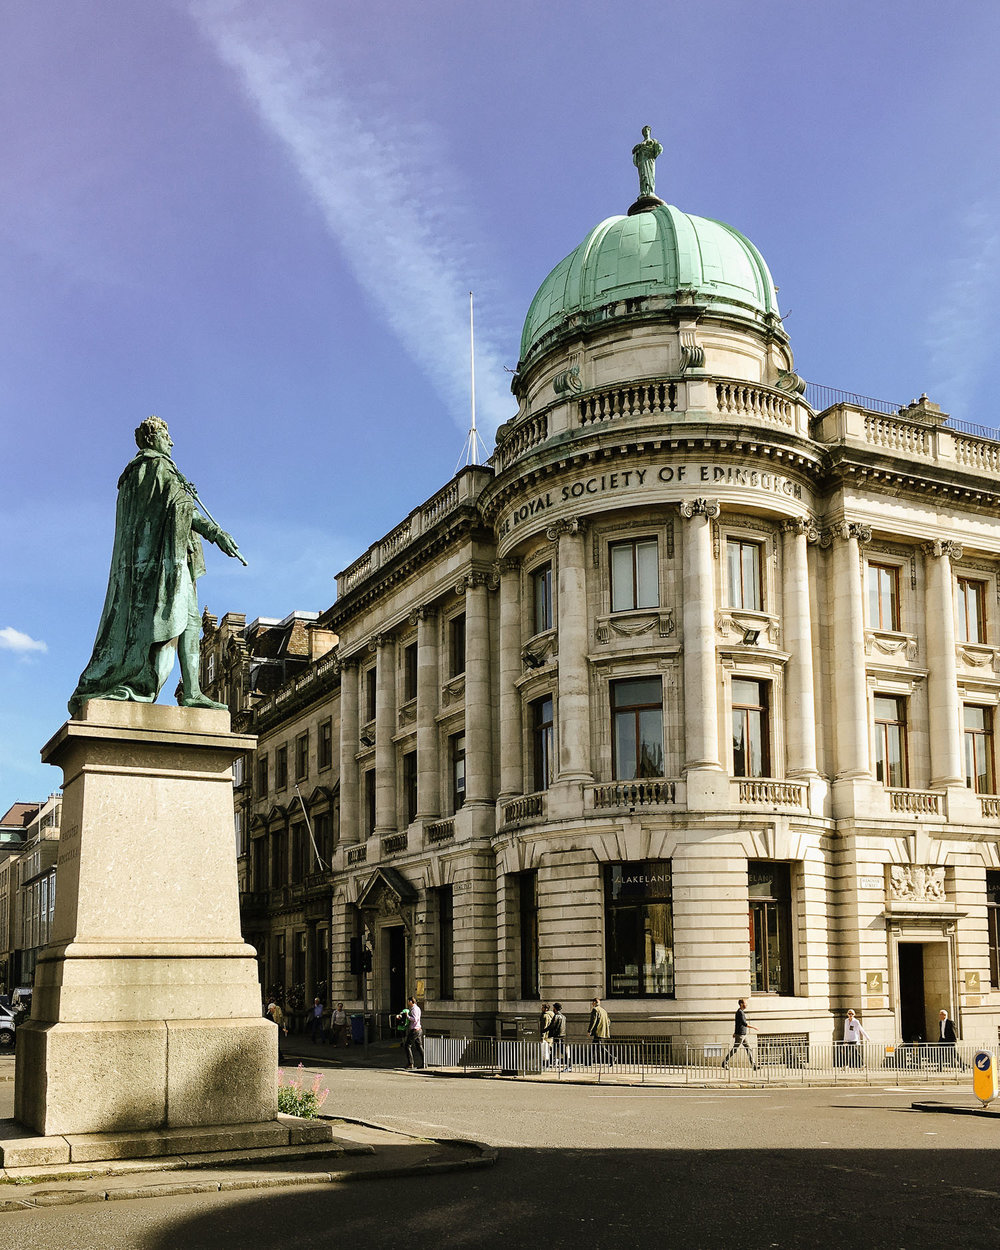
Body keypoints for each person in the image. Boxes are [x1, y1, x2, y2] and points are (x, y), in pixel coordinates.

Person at [69, 416, 244, 715]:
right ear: (152, 439)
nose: (171, 442)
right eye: (166, 435)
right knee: (180, 622)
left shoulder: (132, 477)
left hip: (154, 565)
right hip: (165, 565)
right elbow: (180, 509)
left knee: (190, 621)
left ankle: (192, 691)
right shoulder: (157, 468)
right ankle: (175, 690)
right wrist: (217, 534)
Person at [722, 998, 758, 1070]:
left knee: (749, 1048)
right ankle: (724, 1062)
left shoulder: (740, 1012)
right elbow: (744, 1024)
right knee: (735, 1049)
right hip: (741, 1035)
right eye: (745, 1003)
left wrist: (735, 1032)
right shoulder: (740, 1012)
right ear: (741, 1004)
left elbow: (737, 1024)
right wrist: (754, 1027)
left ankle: (754, 1065)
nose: (746, 1005)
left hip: (743, 1034)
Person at [399, 995, 424, 1070]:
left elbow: (415, 1019)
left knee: (407, 1045)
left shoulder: (414, 1009)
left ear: (411, 1001)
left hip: (415, 1030)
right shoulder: (416, 1008)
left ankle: (411, 1063)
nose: (407, 1003)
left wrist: (408, 1017)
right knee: (419, 1047)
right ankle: (424, 1063)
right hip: (418, 1029)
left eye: (408, 1001)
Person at [546, 1001, 570, 1071]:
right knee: (555, 1051)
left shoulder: (556, 1016)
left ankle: (569, 1065)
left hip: (557, 1036)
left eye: (553, 1008)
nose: (553, 1009)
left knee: (556, 1051)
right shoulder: (563, 1017)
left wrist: (544, 1031)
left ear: (555, 1009)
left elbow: (551, 1026)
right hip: (562, 1036)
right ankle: (549, 1064)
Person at [588, 998, 612, 1065]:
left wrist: (589, 1030)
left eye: (592, 1003)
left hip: (598, 1032)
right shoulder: (604, 1011)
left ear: (595, 1002)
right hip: (603, 1031)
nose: (592, 1004)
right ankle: (590, 1061)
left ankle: (611, 1058)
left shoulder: (595, 1010)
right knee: (596, 1047)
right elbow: (608, 1021)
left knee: (599, 1047)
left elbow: (593, 1021)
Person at [539, 1002, 554, 1068]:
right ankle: (550, 1063)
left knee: (545, 1051)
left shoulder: (545, 1016)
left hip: (546, 1036)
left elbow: (544, 1027)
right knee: (549, 1050)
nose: (541, 1008)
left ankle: (546, 1064)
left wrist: (542, 1037)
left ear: (546, 1009)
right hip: (550, 1036)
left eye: (542, 1007)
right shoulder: (551, 1015)